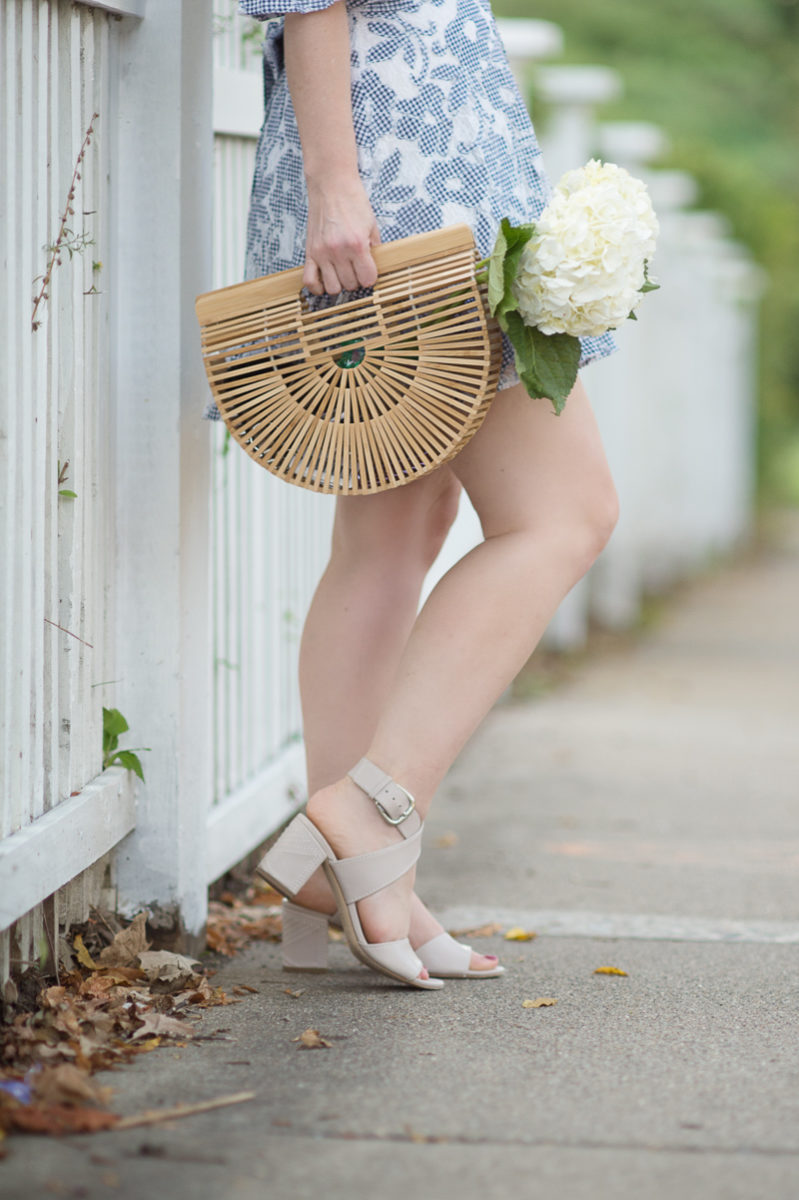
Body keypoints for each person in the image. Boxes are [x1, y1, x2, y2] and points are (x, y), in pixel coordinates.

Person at [225, 0, 620, 987]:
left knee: (393, 534)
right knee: (565, 514)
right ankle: (373, 807)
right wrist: (336, 187)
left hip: (411, 164)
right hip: (401, 181)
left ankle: (363, 880)